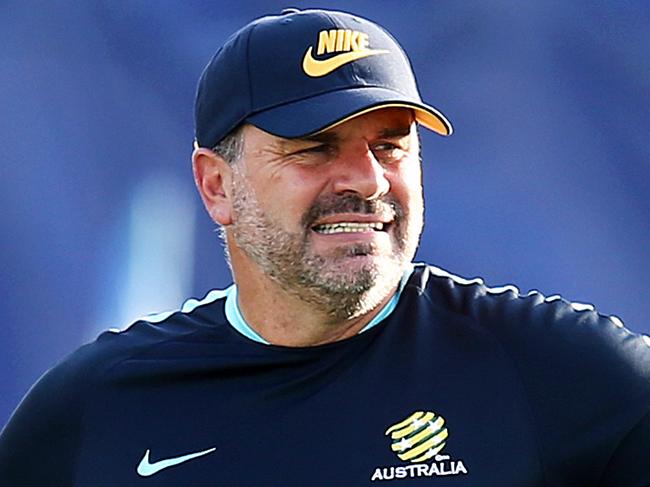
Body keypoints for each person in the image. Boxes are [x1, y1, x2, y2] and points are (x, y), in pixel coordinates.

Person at [1, 8, 648, 486]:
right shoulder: (99, 410)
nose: (367, 179)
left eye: (390, 145)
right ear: (216, 184)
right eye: (314, 147)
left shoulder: (548, 368)